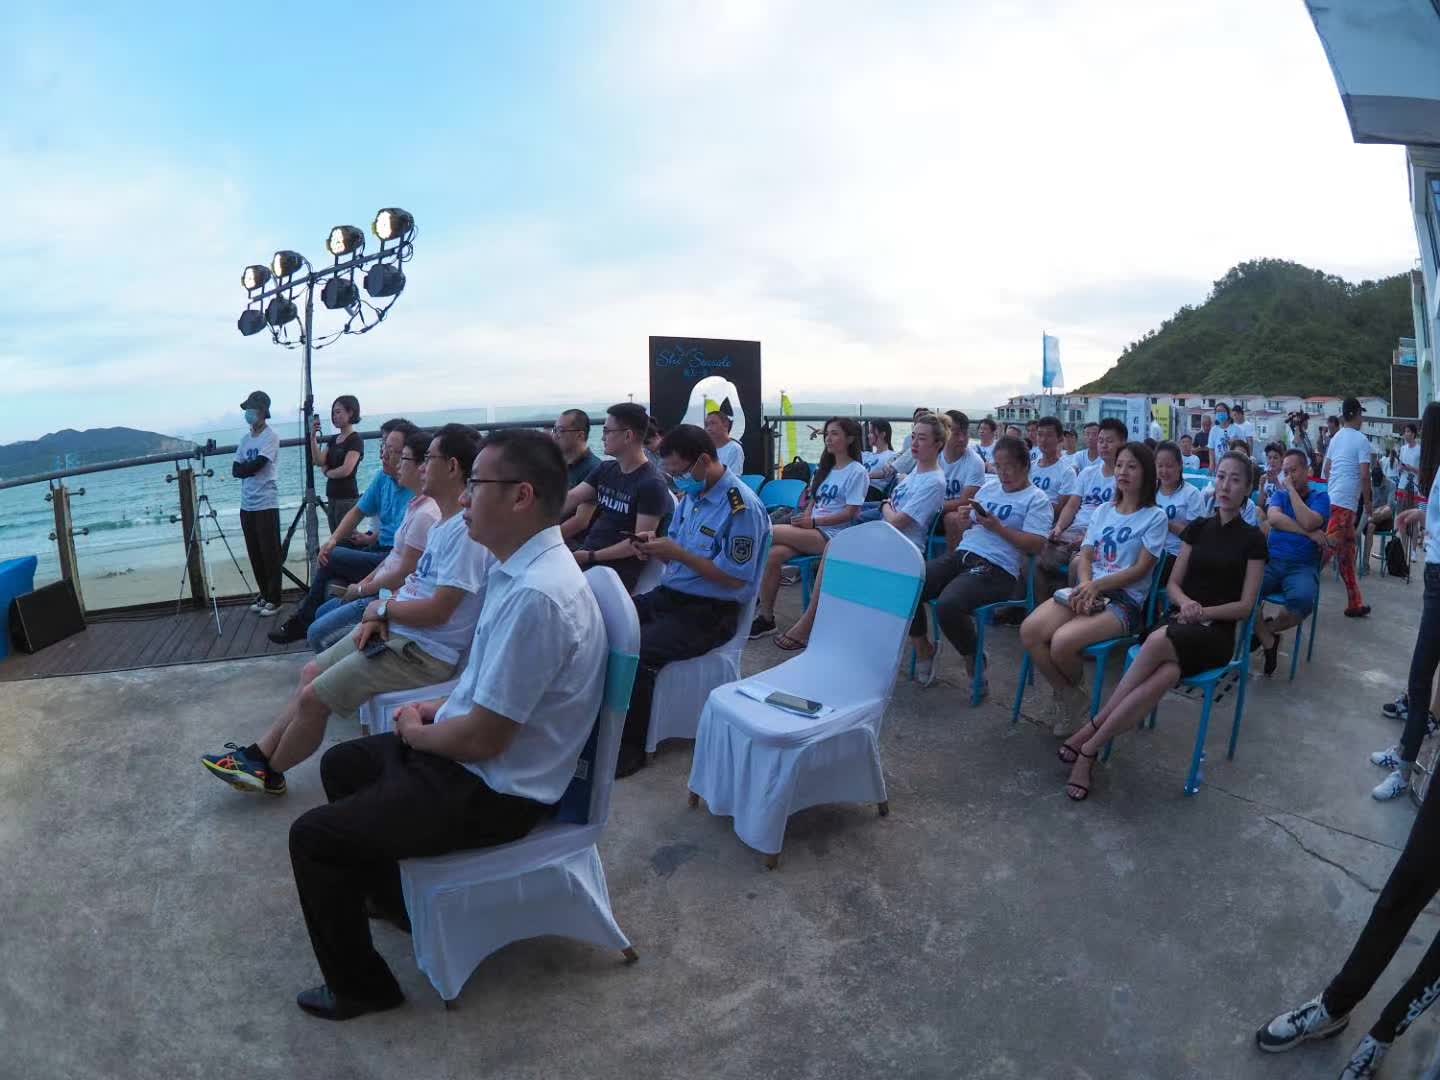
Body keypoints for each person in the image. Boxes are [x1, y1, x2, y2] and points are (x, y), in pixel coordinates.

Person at [282, 427, 606, 1021]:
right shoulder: (519, 568)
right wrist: (435, 707)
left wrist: (415, 732)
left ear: (521, 496)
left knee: (313, 838)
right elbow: (492, 683)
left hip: (495, 790)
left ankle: (362, 988)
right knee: (343, 764)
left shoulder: (538, 595)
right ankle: (393, 900)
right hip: (477, 760)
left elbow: (483, 739)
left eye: (477, 484)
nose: (464, 497)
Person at [204, 425, 491, 794]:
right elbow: (414, 585)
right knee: (311, 671)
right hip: (397, 632)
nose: (420, 467)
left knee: (314, 698)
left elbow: (440, 611)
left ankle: (269, 774)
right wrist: (379, 613)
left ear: (451, 467)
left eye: (428, 459)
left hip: (421, 653)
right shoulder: (443, 525)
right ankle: (256, 755)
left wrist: (381, 611)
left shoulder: (463, 535)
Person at [1058, 450, 1265, 801]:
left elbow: (1246, 606)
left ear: (1248, 488)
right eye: (1221, 477)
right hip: (1181, 619)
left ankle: (1090, 733)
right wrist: (1186, 605)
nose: (1225, 486)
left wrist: (1203, 612)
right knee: (1166, 674)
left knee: (1156, 641)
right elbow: (1173, 585)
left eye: (1235, 480)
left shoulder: (1253, 539)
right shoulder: (1198, 529)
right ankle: (1090, 748)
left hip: (1216, 632)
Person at [614, 425, 770, 776]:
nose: (677, 479)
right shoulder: (692, 498)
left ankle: (631, 747)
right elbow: (679, 554)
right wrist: (655, 548)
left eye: (680, 471)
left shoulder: (741, 507)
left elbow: (735, 578)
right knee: (607, 622)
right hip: (671, 596)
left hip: (710, 612)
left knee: (637, 650)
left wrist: (678, 554)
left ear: (702, 461)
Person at [1020, 440, 1165, 736]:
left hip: (1124, 601)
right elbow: (1086, 554)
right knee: (1030, 631)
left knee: (1062, 642)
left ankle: (1072, 697)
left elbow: (1140, 569)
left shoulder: (1155, 517)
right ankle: (1071, 695)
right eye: (1120, 465)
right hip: (1089, 589)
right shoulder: (1102, 510)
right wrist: (1086, 584)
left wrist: (1095, 585)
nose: (1122, 471)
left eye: (1132, 466)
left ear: (1147, 474)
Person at [781, 413, 947, 653]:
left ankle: (811, 625)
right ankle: (816, 626)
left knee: (835, 549)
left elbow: (897, 522)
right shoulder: (914, 475)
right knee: (832, 550)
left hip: (902, 548)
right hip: (883, 539)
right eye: (913, 437)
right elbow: (891, 511)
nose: (914, 443)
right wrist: (887, 507)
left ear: (938, 444)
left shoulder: (934, 482)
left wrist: (885, 505)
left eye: (921, 438)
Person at [910, 435, 1051, 691]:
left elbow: (1036, 545)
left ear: (1025, 465)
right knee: (908, 584)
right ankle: (924, 649)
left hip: (998, 568)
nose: (1003, 473)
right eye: (998, 466)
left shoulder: (1037, 499)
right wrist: (966, 519)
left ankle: (972, 657)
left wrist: (998, 528)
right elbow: (972, 526)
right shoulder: (989, 489)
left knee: (948, 605)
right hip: (965, 553)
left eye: (1009, 466)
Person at [269, 418, 418, 644]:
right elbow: (357, 511)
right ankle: (312, 619)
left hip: (391, 557)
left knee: (333, 557)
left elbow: (406, 546)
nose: (383, 455)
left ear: (408, 454)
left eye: (391, 450)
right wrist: (333, 540)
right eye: (382, 446)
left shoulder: (418, 494)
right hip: (379, 549)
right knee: (332, 551)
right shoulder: (383, 478)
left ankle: (304, 621)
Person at [304, 429, 440, 652]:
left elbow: (404, 575)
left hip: (390, 590)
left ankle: (308, 623)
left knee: (317, 633)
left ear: (421, 466)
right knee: (322, 606)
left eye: (397, 454)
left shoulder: (426, 514)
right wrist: (361, 584)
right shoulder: (414, 504)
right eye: (383, 447)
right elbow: (392, 556)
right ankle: (308, 616)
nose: (384, 455)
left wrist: (363, 592)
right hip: (383, 568)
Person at [1368, 402, 1440, 802]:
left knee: (1419, 677)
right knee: (1420, 676)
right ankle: (1404, 752)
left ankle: (1405, 768)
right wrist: (1418, 514)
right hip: (1434, 576)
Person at [749, 417, 868, 638]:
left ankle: (740, 590)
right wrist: (806, 517)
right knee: (773, 556)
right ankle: (766, 618)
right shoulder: (825, 468)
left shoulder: (857, 471)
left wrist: (813, 523)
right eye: (827, 433)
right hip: (810, 530)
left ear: (850, 439)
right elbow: (814, 500)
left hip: (833, 535)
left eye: (834, 434)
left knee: (767, 532)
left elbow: (851, 513)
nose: (828, 438)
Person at [561, 403, 674, 592]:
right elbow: (572, 498)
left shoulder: (651, 484)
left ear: (628, 436)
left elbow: (637, 544)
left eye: (607, 431)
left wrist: (590, 556)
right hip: (586, 559)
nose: (602, 437)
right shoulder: (606, 469)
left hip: (613, 575)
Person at [1253, 449, 1330, 677]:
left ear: (1307, 471)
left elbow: (1310, 520)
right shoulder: (1279, 496)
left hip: (1302, 566)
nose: (1288, 476)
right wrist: (1308, 534)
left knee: (1303, 601)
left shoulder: (1320, 498)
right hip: (1273, 560)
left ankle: (1267, 630)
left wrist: (1292, 491)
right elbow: (1274, 518)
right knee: (1244, 590)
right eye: (1285, 472)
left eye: (1293, 470)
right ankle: (1268, 640)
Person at [1043, 417, 1126, 578]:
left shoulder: (1124, 479)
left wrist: (1089, 538)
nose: (1103, 445)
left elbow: (1118, 519)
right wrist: (1059, 527)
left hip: (1100, 538)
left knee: (1077, 565)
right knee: (1035, 556)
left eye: (1109, 441)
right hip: (1074, 532)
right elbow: (1072, 506)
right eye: (1101, 440)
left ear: (1123, 443)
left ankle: (1071, 594)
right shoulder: (1088, 473)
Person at [1322, 397, 1374, 617]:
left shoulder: (1336, 438)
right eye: (1361, 414)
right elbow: (1364, 475)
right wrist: (1368, 503)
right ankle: (1295, 583)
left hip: (1334, 500)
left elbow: (1326, 469)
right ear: (1355, 414)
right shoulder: (1362, 440)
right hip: (1345, 505)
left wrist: (1335, 486)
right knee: (1325, 551)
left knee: (1347, 556)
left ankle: (1355, 603)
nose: (1362, 419)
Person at [234, 391, 283, 616]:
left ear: (263, 411)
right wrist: (248, 468)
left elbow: (260, 464)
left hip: (266, 502)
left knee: (269, 552)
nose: (248, 414)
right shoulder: (245, 440)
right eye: (247, 410)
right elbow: (236, 469)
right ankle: (264, 594)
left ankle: (275, 598)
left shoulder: (271, 437)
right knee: (254, 552)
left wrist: (248, 468)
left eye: (251, 409)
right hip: (247, 504)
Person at [1153, 441, 1204, 585]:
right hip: (1149, 551)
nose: (1164, 471)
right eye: (1160, 466)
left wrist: (1165, 522)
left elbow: (1195, 535)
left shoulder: (1191, 494)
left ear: (1180, 465)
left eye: (1169, 466)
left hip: (1175, 555)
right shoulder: (1149, 491)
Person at [936, 411, 987, 551]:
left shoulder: (975, 462)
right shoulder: (933, 455)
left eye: (965, 434)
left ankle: (953, 559)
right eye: (956, 434)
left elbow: (966, 501)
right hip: (932, 509)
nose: (962, 439)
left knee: (953, 518)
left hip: (957, 511)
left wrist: (933, 506)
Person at [312, 395, 365, 531]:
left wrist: (327, 472)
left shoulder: (355, 440)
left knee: (346, 537)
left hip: (347, 497)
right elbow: (319, 461)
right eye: (333, 413)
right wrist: (313, 438)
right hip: (332, 496)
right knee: (335, 537)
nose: (334, 416)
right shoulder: (333, 439)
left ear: (350, 412)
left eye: (338, 412)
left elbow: (346, 469)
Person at [553, 408, 600, 489]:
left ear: (580, 435)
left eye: (561, 430)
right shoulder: (558, 465)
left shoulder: (595, 470)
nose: (555, 436)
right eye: (555, 430)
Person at [704, 409, 745, 474]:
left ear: (726, 424)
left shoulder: (734, 449)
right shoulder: (705, 449)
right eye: (706, 425)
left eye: (713, 423)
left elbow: (734, 477)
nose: (709, 428)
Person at [1397, 423, 1421, 511]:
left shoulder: (1420, 449)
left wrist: (1411, 468)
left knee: (1413, 511)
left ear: (1413, 434)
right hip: (1402, 485)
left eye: (1408, 431)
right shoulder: (1403, 448)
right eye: (1405, 431)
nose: (1405, 434)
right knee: (1400, 509)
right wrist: (1400, 468)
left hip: (1415, 486)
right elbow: (1399, 465)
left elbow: (1422, 471)